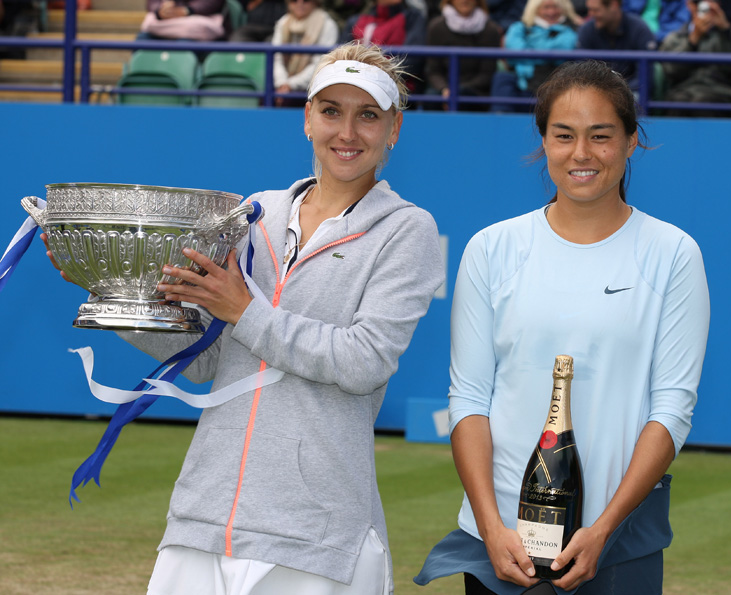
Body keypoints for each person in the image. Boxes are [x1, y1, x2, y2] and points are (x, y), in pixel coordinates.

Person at [45, 42, 445, 595]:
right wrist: (117, 292)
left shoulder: (406, 230)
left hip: (314, 533)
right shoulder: (254, 213)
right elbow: (205, 359)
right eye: (332, 111)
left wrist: (246, 310)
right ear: (307, 118)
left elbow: (364, 361)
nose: (348, 132)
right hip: (204, 514)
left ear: (394, 128)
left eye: (368, 116)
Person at [415, 59, 710, 594]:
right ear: (544, 142)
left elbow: (671, 407)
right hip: (502, 546)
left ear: (630, 141)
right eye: (564, 135)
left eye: (601, 135)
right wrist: (491, 527)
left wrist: (603, 528)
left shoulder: (673, 254)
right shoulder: (492, 249)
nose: (582, 153)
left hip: (618, 546)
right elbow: (470, 398)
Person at [490, 0, 580, 112]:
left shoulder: (571, 29)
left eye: (555, 7)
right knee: (502, 78)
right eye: (546, 7)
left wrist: (527, 53)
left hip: (555, 82)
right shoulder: (519, 27)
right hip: (523, 81)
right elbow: (513, 52)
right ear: (535, 9)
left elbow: (563, 49)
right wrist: (546, 57)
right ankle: (500, 119)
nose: (551, 12)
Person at [659, 0, 731, 117]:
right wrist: (693, 40)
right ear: (690, 5)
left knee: (702, 102)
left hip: (719, 92)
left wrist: (725, 31)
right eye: (698, 3)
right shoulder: (675, 37)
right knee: (679, 102)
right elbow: (671, 71)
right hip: (682, 91)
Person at [424, 0, 503, 110]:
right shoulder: (436, 27)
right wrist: (444, 89)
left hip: (476, 92)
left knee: (464, 95)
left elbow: (486, 74)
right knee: (431, 97)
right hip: (442, 90)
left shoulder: (490, 30)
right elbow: (433, 70)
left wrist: (456, 92)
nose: (465, 1)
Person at [577, 0, 657, 94]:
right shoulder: (586, 31)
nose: (590, 14)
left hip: (631, 93)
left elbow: (645, 77)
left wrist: (620, 94)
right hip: (597, 93)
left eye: (596, 10)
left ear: (614, 5)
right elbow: (582, 74)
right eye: (589, 9)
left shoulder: (639, 29)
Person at [271, 0, 339, 106]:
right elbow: (276, 59)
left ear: (316, 2)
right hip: (281, 86)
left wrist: (291, 85)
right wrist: (282, 83)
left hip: (313, 89)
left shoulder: (327, 24)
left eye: (306, 1)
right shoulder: (283, 22)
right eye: (294, 1)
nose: (300, 4)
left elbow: (321, 64)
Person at [139, 0, 229, 41]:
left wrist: (187, 10)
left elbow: (211, 4)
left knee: (184, 44)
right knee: (143, 38)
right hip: (165, 25)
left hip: (197, 27)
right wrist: (161, 11)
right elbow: (153, 4)